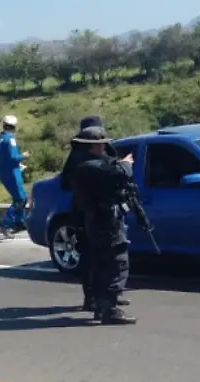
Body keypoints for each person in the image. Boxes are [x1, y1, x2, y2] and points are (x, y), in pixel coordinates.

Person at [69, 125, 137, 325]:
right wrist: (126, 164)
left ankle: (101, 305)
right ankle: (110, 309)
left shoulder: (82, 164)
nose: (104, 147)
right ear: (95, 145)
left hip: (96, 220)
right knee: (117, 263)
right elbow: (120, 173)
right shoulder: (92, 166)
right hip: (104, 221)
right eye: (102, 144)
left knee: (101, 265)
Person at [60, 116, 128, 312]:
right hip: (87, 211)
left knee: (102, 257)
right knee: (94, 256)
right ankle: (93, 298)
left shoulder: (104, 151)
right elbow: (66, 182)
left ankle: (105, 296)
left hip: (97, 209)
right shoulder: (79, 157)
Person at [0, 115, 29, 236]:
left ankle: (20, 223)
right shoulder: (10, 139)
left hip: (3, 173)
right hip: (12, 173)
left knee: (21, 197)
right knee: (20, 199)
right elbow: (13, 158)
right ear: (14, 127)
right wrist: (23, 156)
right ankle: (6, 225)